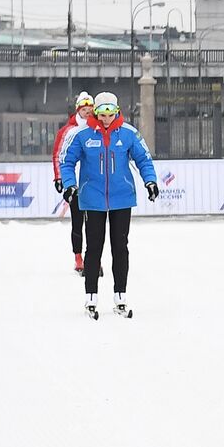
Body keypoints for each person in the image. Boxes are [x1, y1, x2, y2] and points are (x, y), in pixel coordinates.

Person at [59, 92, 158, 317]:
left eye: (110, 113)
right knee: (94, 248)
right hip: (92, 199)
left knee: (120, 248)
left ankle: (120, 295)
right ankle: (91, 297)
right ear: (95, 112)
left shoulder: (129, 133)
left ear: (116, 111)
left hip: (122, 198)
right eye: (102, 114)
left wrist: (150, 181)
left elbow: (143, 159)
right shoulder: (81, 134)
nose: (106, 119)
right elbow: (67, 161)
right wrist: (69, 184)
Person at [51, 91, 95, 274]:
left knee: (94, 223)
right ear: (78, 110)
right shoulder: (68, 130)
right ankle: (78, 257)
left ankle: (93, 257)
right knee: (78, 222)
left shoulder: (97, 127)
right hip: (74, 184)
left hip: (93, 183)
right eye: (84, 109)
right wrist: (59, 178)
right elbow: (58, 155)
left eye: (90, 109)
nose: (87, 112)